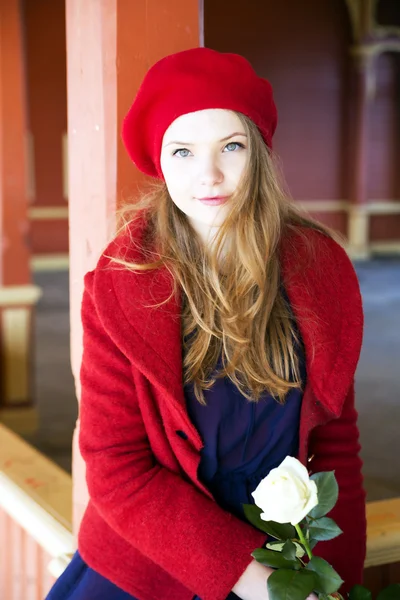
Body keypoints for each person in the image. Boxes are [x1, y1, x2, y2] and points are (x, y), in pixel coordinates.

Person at [46, 47, 366, 600]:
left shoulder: (320, 270)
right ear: (161, 161)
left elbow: (337, 444)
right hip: (148, 566)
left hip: (285, 554)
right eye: (184, 151)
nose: (208, 175)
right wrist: (257, 584)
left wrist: (333, 583)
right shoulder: (120, 284)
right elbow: (118, 471)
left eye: (231, 147)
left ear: (260, 153)